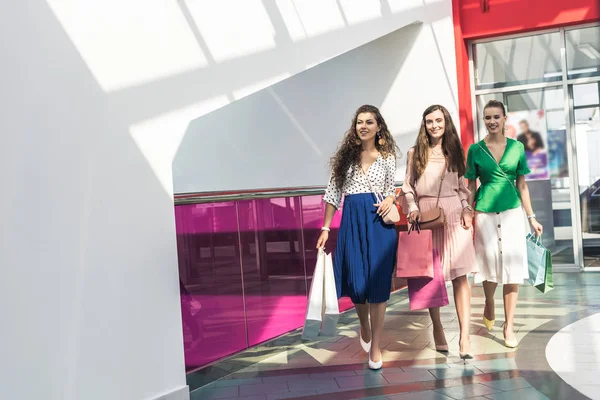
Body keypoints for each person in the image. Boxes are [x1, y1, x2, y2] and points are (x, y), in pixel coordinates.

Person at [316, 104, 399, 370]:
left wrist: (390, 197)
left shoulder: (387, 157)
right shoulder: (345, 159)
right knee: (356, 281)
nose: (363, 126)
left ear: (378, 127)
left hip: (378, 224)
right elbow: (332, 194)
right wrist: (326, 228)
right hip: (352, 220)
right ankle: (363, 321)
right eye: (359, 122)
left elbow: (391, 189)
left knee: (378, 285)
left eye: (369, 122)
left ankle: (375, 347)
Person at [401, 105, 478, 360]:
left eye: (439, 120)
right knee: (430, 276)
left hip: (454, 216)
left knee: (460, 276)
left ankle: (465, 336)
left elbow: (462, 188)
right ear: (424, 125)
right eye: (429, 121)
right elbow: (408, 187)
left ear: (446, 122)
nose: (434, 125)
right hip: (426, 217)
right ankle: (437, 327)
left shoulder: (455, 152)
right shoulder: (415, 153)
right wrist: (411, 208)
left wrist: (467, 209)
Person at [465, 100, 543, 348]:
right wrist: (467, 211)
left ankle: (509, 325)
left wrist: (531, 217)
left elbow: (522, 185)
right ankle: (489, 302)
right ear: (484, 120)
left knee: (512, 269)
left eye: (496, 117)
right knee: (487, 265)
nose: (492, 121)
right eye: (487, 117)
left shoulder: (517, 147)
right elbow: (470, 186)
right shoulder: (475, 150)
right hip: (484, 214)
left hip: (511, 213)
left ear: (504, 119)